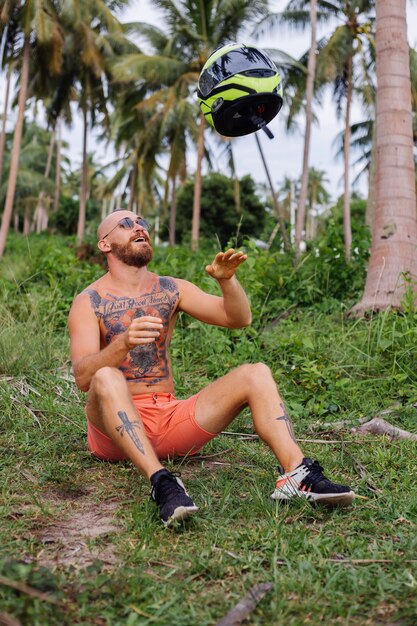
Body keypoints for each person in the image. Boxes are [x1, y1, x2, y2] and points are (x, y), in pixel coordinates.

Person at [68, 210, 355, 527]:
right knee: (106, 376)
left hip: (168, 419)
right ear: (105, 244)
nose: (138, 227)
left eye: (142, 223)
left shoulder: (172, 289)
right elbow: (83, 377)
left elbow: (238, 319)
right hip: (113, 432)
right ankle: (162, 483)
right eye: (125, 224)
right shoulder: (89, 301)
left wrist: (226, 281)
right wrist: (122, 344)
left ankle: (297, 474)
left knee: (255, 373)